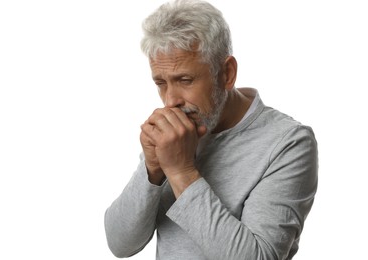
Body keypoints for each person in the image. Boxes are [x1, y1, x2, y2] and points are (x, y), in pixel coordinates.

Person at [104, 0, 318, 259]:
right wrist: (151, 170)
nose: (171, 100)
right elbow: (121, 245)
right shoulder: (177, 132)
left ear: (227, 73)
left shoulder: (288, 142)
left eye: (185, 80)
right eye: (161, 82)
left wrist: (181, 171)